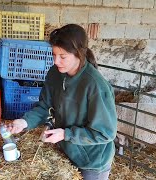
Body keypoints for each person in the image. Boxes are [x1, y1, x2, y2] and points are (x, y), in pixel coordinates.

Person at [8, 24, 117, 180]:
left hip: (92, 160)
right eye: (54, 54)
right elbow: (45, 106)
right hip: (68, 150)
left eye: (63, 56)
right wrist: (24, 122)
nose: (56, 61)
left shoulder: (96, 86)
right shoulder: (55, 73)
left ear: (79, 53)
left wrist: (66, 134)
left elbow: (105, 132)